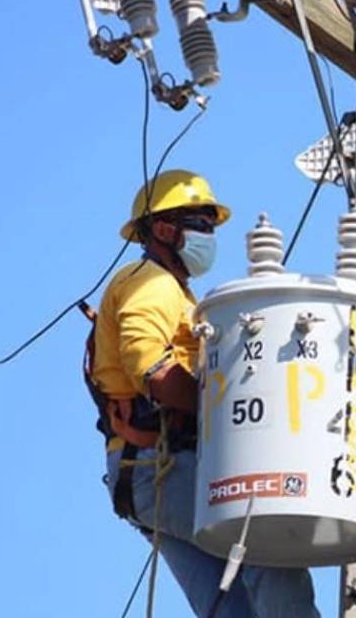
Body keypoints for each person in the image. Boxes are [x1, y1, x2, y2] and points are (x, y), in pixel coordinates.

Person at [87, 170, 321, 617]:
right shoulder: (148, 281)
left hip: (146, 473)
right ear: (163, 229)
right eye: (201, 225)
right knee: (265, 538)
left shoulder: (177, 293)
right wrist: (225, 409)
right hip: (160, 466)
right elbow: (150, 368)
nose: (209, 237)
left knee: (227, 607)